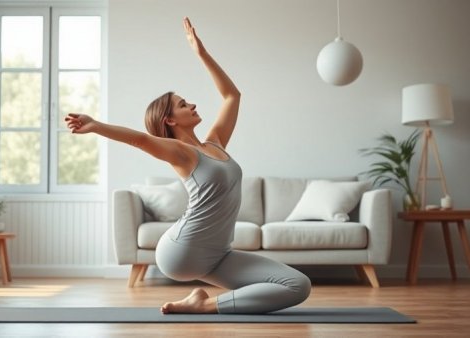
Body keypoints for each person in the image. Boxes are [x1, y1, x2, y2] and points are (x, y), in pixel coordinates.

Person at [65, 17, 311, 314]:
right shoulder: (182, 153)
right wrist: (96, 125)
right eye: (183, 104)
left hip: (218, 255)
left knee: (298, 285)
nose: (192, 105)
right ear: (169, 120)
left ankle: (200, 301)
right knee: (285, 286)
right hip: (182, 251)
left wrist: (202, 54)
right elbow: (141, 140)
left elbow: (232, 96)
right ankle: (206, 307)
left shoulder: (214, 143)